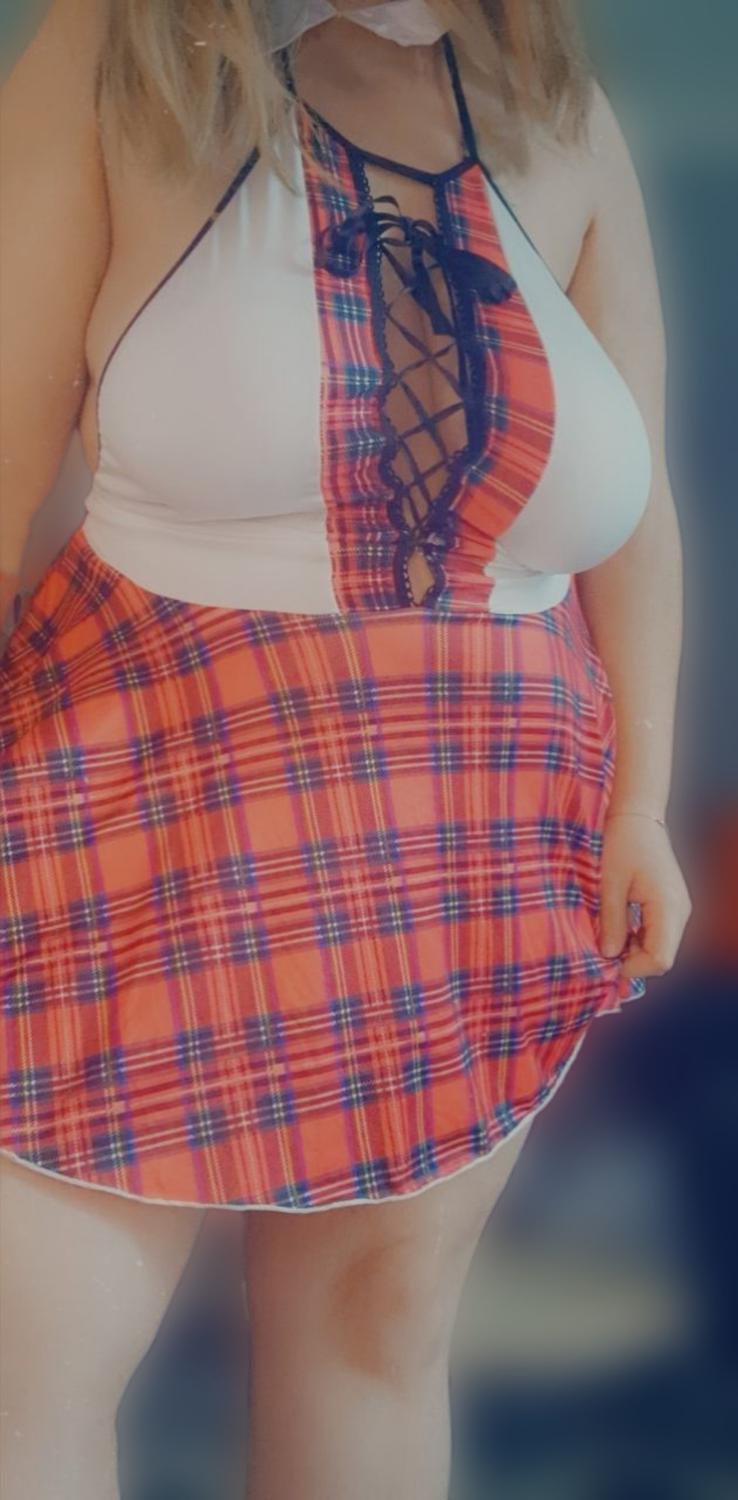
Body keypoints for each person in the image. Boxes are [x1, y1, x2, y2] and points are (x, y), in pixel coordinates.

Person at [0, 2, 692, 1497]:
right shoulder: (111, 50)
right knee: (26, 1355)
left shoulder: (555, 101)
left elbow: (636, 524)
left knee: (376, 1329)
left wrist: (639, 805)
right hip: (134, 797)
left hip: (480, 828)